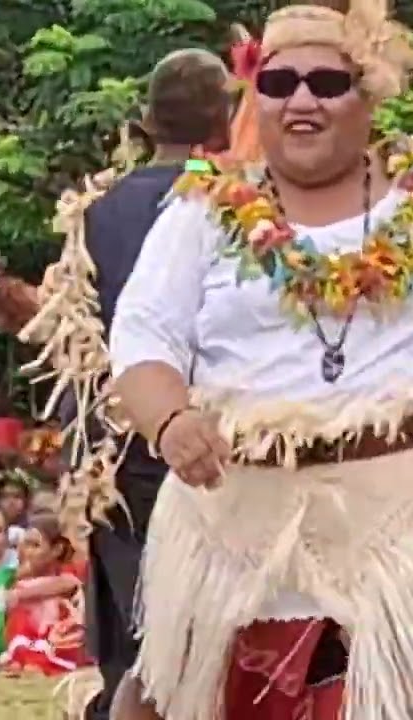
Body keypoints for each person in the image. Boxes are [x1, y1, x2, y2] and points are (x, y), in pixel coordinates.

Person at [109, 2, 413, 717]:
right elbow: (144, 334)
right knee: (154, 698)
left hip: (392, 525)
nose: (300, 100)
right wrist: (171, 419)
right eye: (278, 85)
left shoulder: (407, 207)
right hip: (231, 525)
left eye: (325, 83)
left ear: (366, 94)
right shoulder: (203, 211)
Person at [0, 46, 234, 720]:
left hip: (117, 445)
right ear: (227, 120)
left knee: (136, 624)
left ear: (145, 123)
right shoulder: (237, 197)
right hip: (218, 435)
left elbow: (78, 332)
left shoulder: (102, 206)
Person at [0, 514, 87, 677]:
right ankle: (25, 658)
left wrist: (21, 594)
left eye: (35, 545)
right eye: (24, 545)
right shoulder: (17, 577)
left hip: (61, 638)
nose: (27, 552)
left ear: (56, 550)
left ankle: (38, 661)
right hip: (31, 638)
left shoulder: (69, 570)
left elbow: (69, 583)